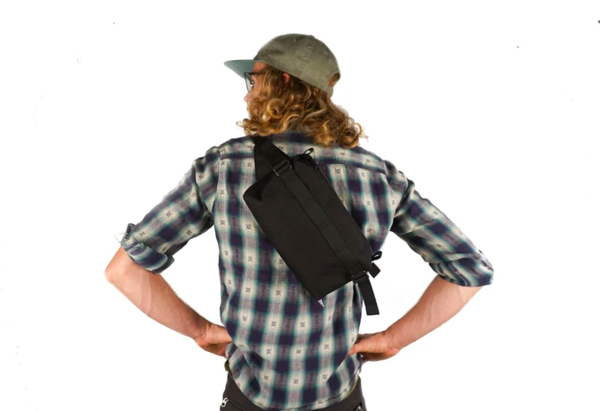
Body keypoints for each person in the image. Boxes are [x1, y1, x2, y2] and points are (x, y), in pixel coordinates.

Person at [105, 33, 494, 411]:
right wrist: (394, 339)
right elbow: (469, 270)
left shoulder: (222, 168)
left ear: (283, 82)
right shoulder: (379, 177)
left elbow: (124, 270)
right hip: (338, 396)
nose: (246, 94)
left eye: (253, 80)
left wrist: (201, 331)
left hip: (249, 395)